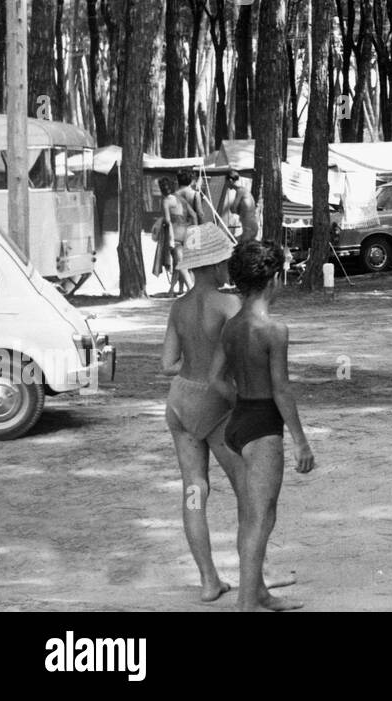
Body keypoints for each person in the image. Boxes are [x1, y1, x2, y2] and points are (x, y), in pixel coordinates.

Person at [210, 240, 315, 612]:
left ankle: (258, 593)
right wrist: (301, 442)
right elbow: (282, 390)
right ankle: (245, 605)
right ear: (272, 280)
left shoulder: (232, 326)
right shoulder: (273, 330)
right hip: (263, 427)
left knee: (254, 515)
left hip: (238, 424)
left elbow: (216, 378)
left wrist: (240, 403)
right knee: (260, 517)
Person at [160, 223, 241, 602]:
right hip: (215, 403)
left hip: (180, 402)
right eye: (225, 260)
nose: (228, 266)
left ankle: (209, 579)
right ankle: (256, 572)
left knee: (194, 489)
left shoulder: (178, 306)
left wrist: (193, 367)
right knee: (248, 490)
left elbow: (166, 363)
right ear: (214, 265)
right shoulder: (228, 304)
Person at [159, 176, 195, 296]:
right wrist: (194, 232)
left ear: (162, 189)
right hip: (188, 233)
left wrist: (170, 240)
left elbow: (168, 221)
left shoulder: (166, 200)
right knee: (179, 264)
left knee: (180, 263)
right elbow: (194, 215)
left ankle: (191, 289)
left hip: (175, 234)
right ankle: (172, 290)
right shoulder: (181, 199)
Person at [219, 170, 259, 242]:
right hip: (252, 226)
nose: (226, 184)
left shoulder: (240, 191)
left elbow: (233, 209)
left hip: (249, 229)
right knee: (235, 242)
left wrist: (232, 207)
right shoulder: (244, 190)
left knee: (236, 244)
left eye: (226, 181)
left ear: (230, 180)